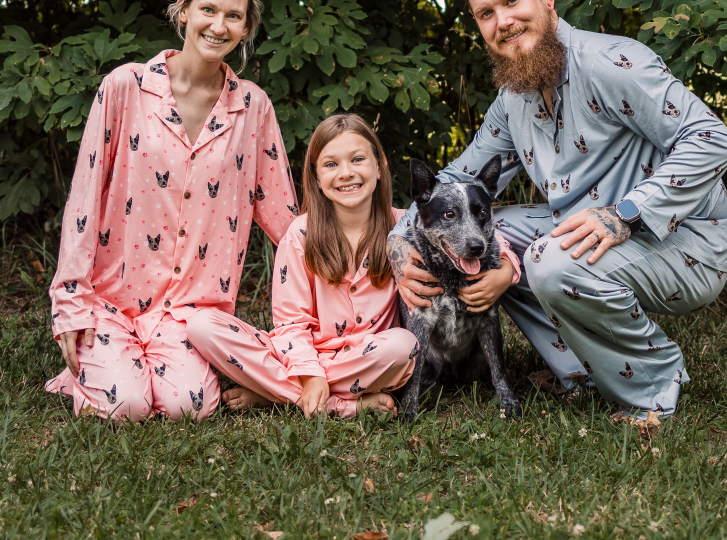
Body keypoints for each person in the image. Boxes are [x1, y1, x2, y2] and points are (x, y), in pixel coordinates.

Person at [388, 0, 727, 417]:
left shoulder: (612, 63)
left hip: (685, 242)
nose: (503, 22)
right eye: (486, 14)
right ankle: (582, 372)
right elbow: (459, 179)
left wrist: (626, 214)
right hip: (585, 233)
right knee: (485, 236)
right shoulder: (513, 96)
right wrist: (398, 239)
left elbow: (712, 139)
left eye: (512, 1)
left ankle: (653, 387)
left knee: (547, 261)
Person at [46, 0, 298, 422]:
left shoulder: (252, 107)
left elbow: (286, 219)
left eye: (234, 16)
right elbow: (84, 199)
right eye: (207, 9)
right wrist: (70, 305)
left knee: (191, 407)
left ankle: (136, 368)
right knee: (127, 405)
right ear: (183, 11)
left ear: (246, 28)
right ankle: (102, 362)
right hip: (111, 299)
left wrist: (381, 232)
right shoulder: (125, 87)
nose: (218, 26)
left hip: (191, 311)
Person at [187, 113, 522, 417]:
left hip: (373, 358)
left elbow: (483, 237)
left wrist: (506, 267)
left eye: (358, 159)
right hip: (303, 358)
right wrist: (312, 374)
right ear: (316, 177)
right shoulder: (300, 234)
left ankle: (274, 391)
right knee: (202, 325)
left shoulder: (404, 225)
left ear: (379, 167)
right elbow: (291, 325)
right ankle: (341, 403)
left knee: (403, 346)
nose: (346, 173)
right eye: (331, 164)